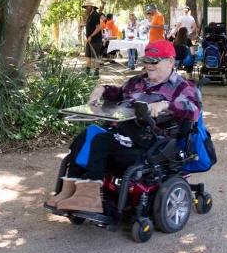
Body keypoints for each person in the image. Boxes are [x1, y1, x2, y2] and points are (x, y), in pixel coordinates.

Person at [46, 40, 201, 213]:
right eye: (146, 61)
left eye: (154, 61)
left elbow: (194, 110)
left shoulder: (183, 87)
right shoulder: (137, 81)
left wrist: (165, 105)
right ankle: (69, 191)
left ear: (170, 62)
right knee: (83, 138)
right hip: (122, 133)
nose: (148, 65)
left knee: (99, 141)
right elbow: (118, 92)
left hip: (151, 140)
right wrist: (101, 90)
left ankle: (90, 198)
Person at [82, 0, 103, 76]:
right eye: (85, 7)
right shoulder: (90, 15)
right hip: (89, 40)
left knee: (95, 57)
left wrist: (91, 36)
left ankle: (96, 73)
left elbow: (98, 27)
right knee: (88, 56)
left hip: (96, 41)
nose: (86, 8)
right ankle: (87, 72)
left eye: (87, 6)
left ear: (91, 6)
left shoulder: (95, 15)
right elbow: (91, 26)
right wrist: (83, 25)